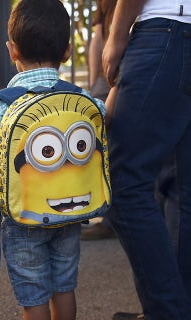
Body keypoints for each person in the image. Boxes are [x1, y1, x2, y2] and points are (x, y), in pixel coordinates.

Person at [102, 1, 191, 319]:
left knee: (124, 184)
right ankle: (180, 308)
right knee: (186, 179)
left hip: (172, 24)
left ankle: (170, 312)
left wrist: (117, 35)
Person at [0, 1, 106, 319]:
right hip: (71, 212)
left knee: (34, 296)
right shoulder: (82, 100)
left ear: (12, 50)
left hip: (23, 218)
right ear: (67, 52)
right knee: (64, 287)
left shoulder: (5, 103)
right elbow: (105, 114)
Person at [81, 0, 117, 240]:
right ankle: (108, 215)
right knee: (104, 149)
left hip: (132, 65)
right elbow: (98, 37)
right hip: (107, 74)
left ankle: (114, 216)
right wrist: (95, 83)